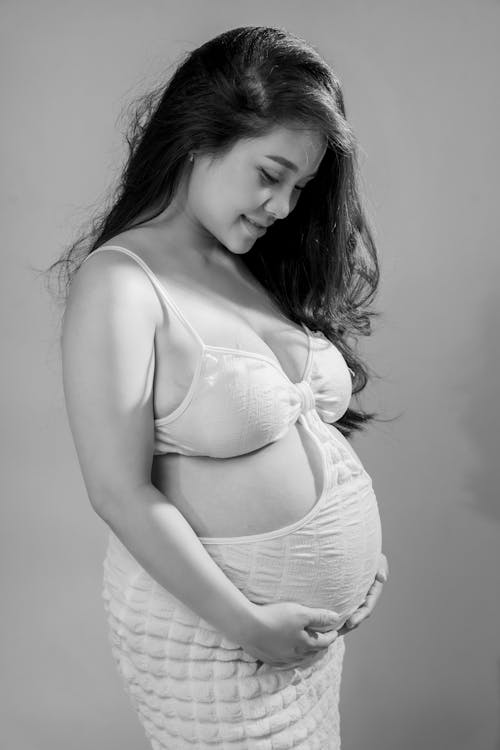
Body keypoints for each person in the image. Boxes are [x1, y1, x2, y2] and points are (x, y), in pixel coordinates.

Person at [53, 25, 388, 749]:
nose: (283, 207)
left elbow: (308, 433)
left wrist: (361, 562)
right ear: (199, 137)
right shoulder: (120, 285)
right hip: (214, 636)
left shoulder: (250, 263)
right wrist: (248, 624)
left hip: (296, 643)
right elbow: (118, 491)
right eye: (270, 174)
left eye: (300, 187)